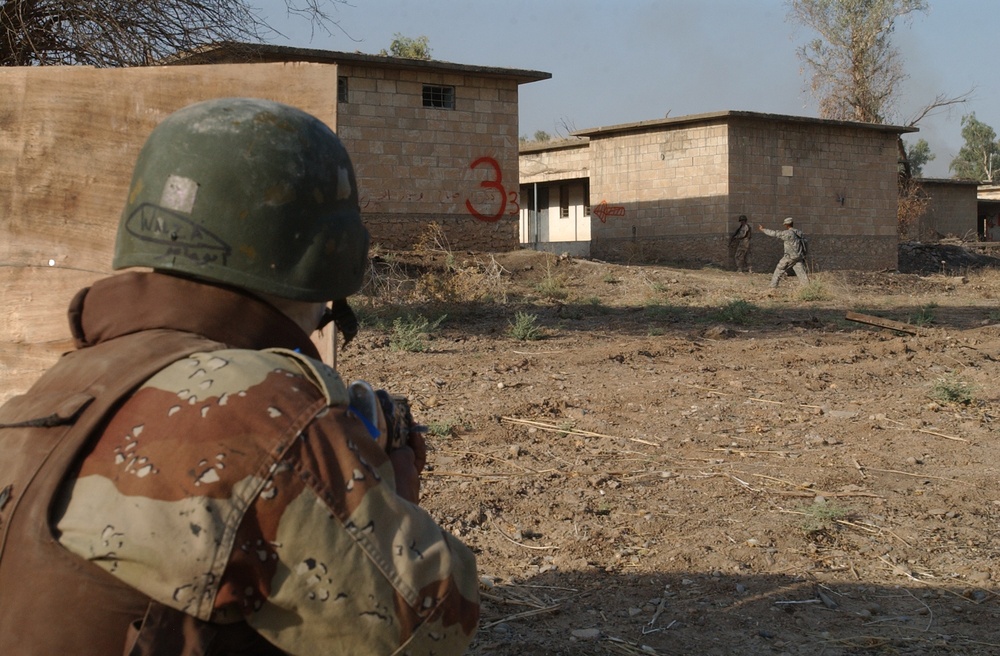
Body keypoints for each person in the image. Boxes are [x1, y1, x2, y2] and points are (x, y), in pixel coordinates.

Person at [0, 98, 480, 655]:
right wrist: (393, 484)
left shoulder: (45, 394)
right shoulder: (270, 414)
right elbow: (437, 622)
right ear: (321, 260)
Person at [758, 217, 809, 288]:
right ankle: (807, 287)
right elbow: (805, 243)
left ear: (786, 225)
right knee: (801, 271)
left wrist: (763, 229)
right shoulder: (799, 232)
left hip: (789, 257)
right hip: (799, 256)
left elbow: (775, 233)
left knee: (779, 269)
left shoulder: (787, 233)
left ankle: (773, 286)